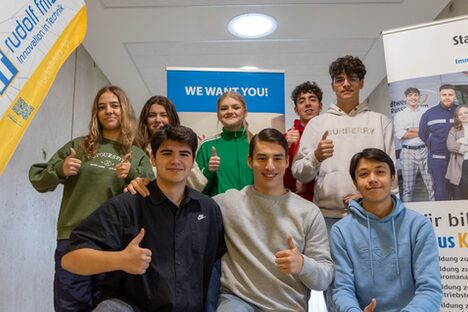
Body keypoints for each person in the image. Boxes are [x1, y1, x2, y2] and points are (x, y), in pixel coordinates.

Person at [61, 125, 226, 312]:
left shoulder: (208, 209)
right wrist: (120, 260)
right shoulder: (126, 206)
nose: (176, 160)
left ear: (193, 160)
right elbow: (70, 259)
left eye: (184, 154)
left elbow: (216, 266)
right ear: (153, 159)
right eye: (167, 153)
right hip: (131, 306)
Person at [29, 86, 154, 311]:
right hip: (73, 238)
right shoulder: (79, 146)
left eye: (114, 105)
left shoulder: (136, 155)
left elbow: (152, 196)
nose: (108, 111)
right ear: (96, 113)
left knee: (107, 305)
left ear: (124, 109)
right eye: (102, 107)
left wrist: (132, 176)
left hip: (114, 244)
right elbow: (38, 179)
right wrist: (60, 169)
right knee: (70, 306)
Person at [215, 128, 334, 311]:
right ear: (250, 161)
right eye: (262, 158)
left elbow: (324, 278)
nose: (269, 166)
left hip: (288, 305)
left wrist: (303, 264)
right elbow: (185, 203)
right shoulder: (228, 202)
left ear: (287, 161)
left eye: (277, 158)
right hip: (238, 302)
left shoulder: (309, 212)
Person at [330, 148, 442, 312]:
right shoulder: (341, 231)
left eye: (380, 172)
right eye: (364, 174)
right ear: (355, 183)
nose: (373, 179)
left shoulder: (418, 225)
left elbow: (430, 290)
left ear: (393, 178)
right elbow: (342, 288)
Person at [292, 55, 395, 231]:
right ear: (333, 85)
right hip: (328, 218)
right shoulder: (317, 124)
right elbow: (299, 173)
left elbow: (393, 176)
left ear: (361, 83)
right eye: (340, 80)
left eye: (352, 79)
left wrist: (365, 196)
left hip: (373, 215)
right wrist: (316, 157)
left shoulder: (380, 122)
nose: (346, 84)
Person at [133, 95, 207, 191]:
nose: (158, 120)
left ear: (172, 118)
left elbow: (198, 185)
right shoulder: (136, 149)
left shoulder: (185, 146)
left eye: (164, 115)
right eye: (152, 115)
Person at [196, 91, 254, 197]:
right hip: (219, 211)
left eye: (236, 107)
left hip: (254, 210)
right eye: (224, 108)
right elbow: (197, 190)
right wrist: (209, 171)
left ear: (245, 112)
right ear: (218, 114)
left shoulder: (257, 143)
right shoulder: (206, 146)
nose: (230, 111)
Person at [284, 81, 323, 200]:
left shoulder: (330, 134)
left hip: (323, 201)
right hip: (293, 201)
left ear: (320, 106)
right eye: (302, 101)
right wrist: (286, 146)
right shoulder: (285, 139)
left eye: (312, 99)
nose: (307, 104)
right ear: (296, 110)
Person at [393, 87, 434, 201]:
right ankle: (407, 214)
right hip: (407, 152)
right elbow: (400, 134)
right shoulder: (400, 115)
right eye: (410, 95)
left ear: (419, 97)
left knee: (431, 185)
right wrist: (422, 130)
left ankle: (436, 211)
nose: (413, 97)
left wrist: (411, 129)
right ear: (405, 98)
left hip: (425, 150)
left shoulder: (426, 112)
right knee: (408, 187)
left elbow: (430, 130)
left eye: (416, 95)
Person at [419, 84, 457, 200]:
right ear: (439, 96)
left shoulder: (461, 111)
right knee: (440, 189)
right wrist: (434, 145)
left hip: (458, 158)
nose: (447, 97)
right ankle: (446, 215)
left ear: (454, 96)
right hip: (438, 158)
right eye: (444, 95)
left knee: (459, 189)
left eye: (450, 94)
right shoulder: (429, 114)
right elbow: (422, 134)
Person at [446, 104, 468, 199]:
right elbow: (450, 146)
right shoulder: (454, 130)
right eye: (460, 114)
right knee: (463, 188)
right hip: (461, 164)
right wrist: (465, 147)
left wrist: (462, 141)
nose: (464, 115)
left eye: (466, 112)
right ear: (457, 117)